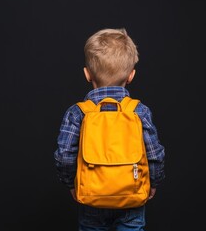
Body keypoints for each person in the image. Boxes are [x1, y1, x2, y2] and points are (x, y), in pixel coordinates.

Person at [53, 28, 165, 231]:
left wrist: (71, 184)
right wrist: (153, 182)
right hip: (132, 195)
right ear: (131, 75)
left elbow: (64, 157)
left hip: (91, 196)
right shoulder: (139, 111)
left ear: (87, 74)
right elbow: (154, 154)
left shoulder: (78, 113)